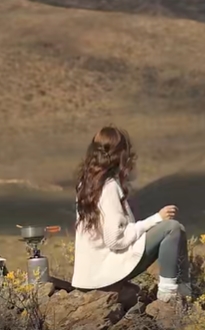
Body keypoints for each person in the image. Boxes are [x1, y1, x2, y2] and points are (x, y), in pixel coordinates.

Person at [71, 125, 191, 302]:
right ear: (121, 155)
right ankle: (169, 296)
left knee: (175, 228)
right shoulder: (109, 187)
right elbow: (115, 240)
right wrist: (155, 219)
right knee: (172, 228)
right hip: (107, 271)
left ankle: (182, 291)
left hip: (90, 275)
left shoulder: (86, 185)